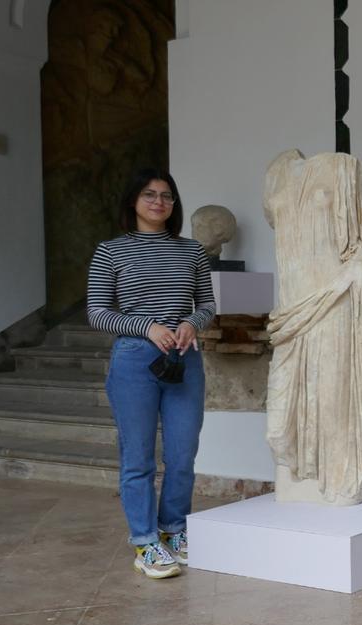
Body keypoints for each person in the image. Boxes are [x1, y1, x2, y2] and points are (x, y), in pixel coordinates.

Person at [88, 168, 215, 579]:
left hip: (184, 360)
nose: (159, 202)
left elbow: (208, 304)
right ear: (133, 201)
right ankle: (144, 541)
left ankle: (174, 530)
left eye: (167, 196)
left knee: (182, 455)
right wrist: (147, 327)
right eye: (149, 194)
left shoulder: (192, 251)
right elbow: (97, 312)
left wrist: (192, 323)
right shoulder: (110, 251)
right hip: (133, 362)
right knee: (138, 458)